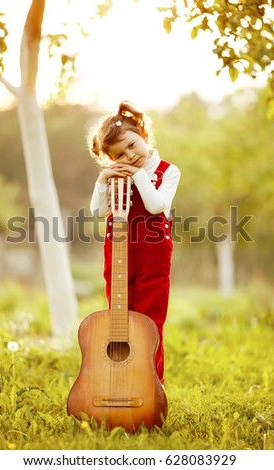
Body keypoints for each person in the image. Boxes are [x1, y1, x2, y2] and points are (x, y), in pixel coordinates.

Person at [89, 100, 181, 384]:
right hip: (118, 251)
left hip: (153, 256)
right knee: (119, 317)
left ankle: (152, 383)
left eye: (132, 145)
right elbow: (98, 212)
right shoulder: (115, 175)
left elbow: (156, 205)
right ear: (111, 159)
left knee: (150, 320)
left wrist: (139, 175)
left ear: (142, 133)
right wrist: (103, 179)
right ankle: (120, 379)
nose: (129, 155)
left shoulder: (168, 171)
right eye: (119, 154)